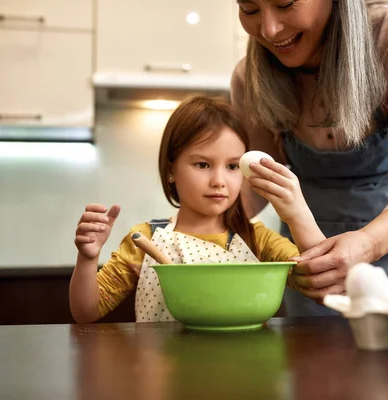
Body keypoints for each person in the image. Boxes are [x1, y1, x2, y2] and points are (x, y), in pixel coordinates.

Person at [231, 0, 388, 316]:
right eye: (249, 9)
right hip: (315, 268)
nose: (269, 29)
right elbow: (253, 184)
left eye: (285, 4)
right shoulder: (250, 77)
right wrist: (200, 224)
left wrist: (367, 243)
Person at [68, 97, 323, 323]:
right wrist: (88, 258)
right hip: (164, 374)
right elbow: (87, 312)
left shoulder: (258, 240)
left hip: (243, 374)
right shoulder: (145, 239)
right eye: (203, 164)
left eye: (232, 166)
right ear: (170, 171)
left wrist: (296, 213)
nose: (219, 181)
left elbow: (318, 277)